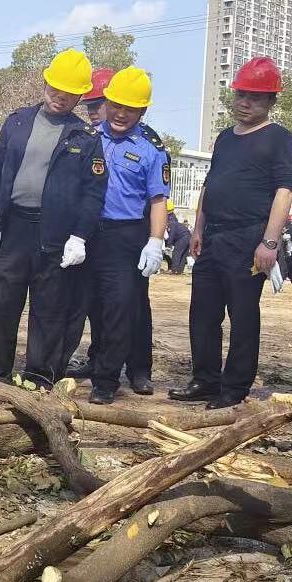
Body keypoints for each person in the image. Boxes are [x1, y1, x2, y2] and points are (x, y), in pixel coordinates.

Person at [170, 56, 292, 408]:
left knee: (242, 315)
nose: (245, 103)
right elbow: (209, 185)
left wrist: (269, 241)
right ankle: (205, 379)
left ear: (271, 100)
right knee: (203, 312)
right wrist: (198, 228)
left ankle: (235, 386)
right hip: (214, 236)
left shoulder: (279, 139)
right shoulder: (225, 138)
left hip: (249, 237)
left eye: (254, 97)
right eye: (241, 95)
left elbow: (284, 192)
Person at [0, 49, 107, 387]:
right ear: (46, 82)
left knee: (49, 310)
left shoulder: (84, 136)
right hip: (14, 228)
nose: (60, 97)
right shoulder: (17, 121)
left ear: (79, 97)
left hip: (56, 235)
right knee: (4, 304)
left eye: (69, 93)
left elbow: (94, 192)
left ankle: (38, 378)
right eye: (55, 89)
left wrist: (79, 236)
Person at [86, 67, 169, 404]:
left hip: (126, 236)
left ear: (142, 111)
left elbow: (158, 200)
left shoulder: (150, 149)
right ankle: (96, 362)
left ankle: (106, 381)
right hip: (87, 233)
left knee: (122, 308)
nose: (121, 114)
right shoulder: (88, 138)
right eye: (116, 105)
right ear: (106, 103)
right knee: (91, 305)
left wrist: (155, 241)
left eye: (130, 109)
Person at [62, 67, 116, 379]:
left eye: (98, 104)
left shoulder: (138, 140)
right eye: (89, 105)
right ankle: (62, 360)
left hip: (115, 233)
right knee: (78, 301)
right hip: (80, 231)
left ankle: (118, 365)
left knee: (114, 305)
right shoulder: (81, 137)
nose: (93, 111)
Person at [165, 199, 191, 274]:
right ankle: (179, 270)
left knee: (176, 253)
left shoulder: (171, 221)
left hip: (182, 237)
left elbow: (172, 233)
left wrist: (169, 245)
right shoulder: (173, 218)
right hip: (188, 235)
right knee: (183, 254)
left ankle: (174, 270)